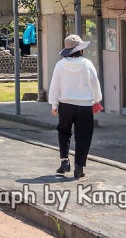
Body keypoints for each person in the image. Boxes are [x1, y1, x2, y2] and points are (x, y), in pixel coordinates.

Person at [49, 34, 103, 179]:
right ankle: (79, 167)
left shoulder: (60, 65)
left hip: (65, 105)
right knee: (83, 136)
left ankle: (64, 160)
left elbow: (55, 86)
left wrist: (54, 104)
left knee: (64, 132)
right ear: (80, 50)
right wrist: (96, 100)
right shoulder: (87, 63)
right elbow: (94, 82)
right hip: (84, 106)